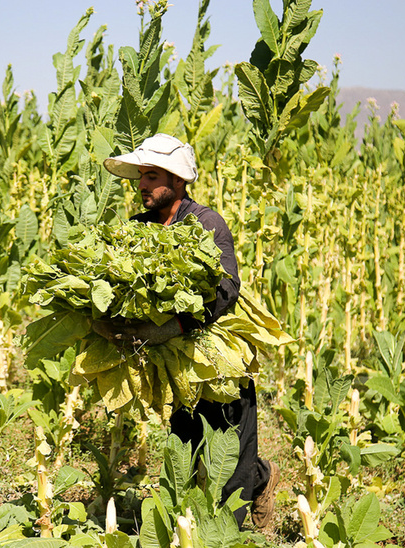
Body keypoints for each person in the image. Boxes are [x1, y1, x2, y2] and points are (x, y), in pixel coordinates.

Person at [93, 133, 279, 528]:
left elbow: (227, 288)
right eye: (140, 175)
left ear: (178, 180)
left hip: (216, 355)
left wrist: (175, 325)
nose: (142, 184)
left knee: (230, 450)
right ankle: (197, 517)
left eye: (152, 175)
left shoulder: (206, 223)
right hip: (176, 362)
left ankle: (239, 513)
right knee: (186, 446)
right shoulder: (138, 228)